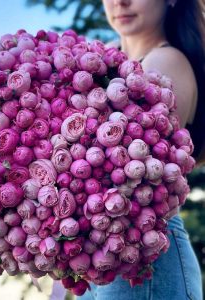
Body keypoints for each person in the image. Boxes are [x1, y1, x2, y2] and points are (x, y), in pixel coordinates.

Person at [79, 0, 205, 299]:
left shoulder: (167, 60)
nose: (119, 2)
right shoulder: (103, 59)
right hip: (102, 257)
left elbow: (132, 179)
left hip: (144, 262)